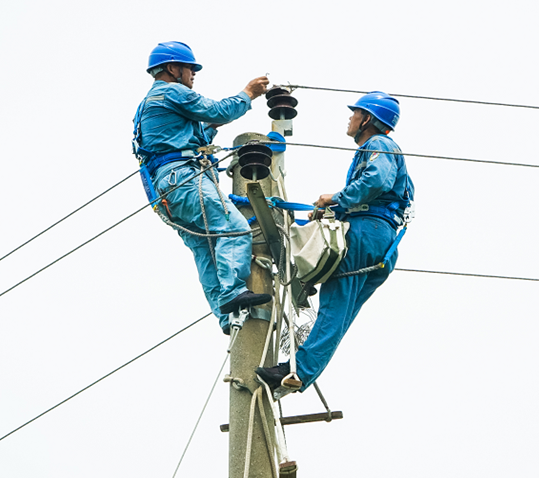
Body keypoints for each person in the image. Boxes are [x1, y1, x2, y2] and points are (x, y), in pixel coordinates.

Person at [256, 91, 415, 390]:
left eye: (355, 113)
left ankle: (299, 370)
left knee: (333, 307)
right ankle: (301, 373)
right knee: (339, 315)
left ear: (367, 119)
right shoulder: (385, 149)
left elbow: (376, 181)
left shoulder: (379, 144)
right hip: (382, 242)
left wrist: (337, 199)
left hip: (366, 232)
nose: (350, 118)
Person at [132, 41, 271, 333]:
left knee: (206, 249)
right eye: (189, 69)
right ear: (172, 69)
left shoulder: (150, 104)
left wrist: (210, 129)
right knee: (233, 227)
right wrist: (248, 94)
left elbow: (189, 133)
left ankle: (227, 317)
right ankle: (233, 293)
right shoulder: (171, 91)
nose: (193, 75)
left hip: (166, 191)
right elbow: (217, 110)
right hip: (183, 179)